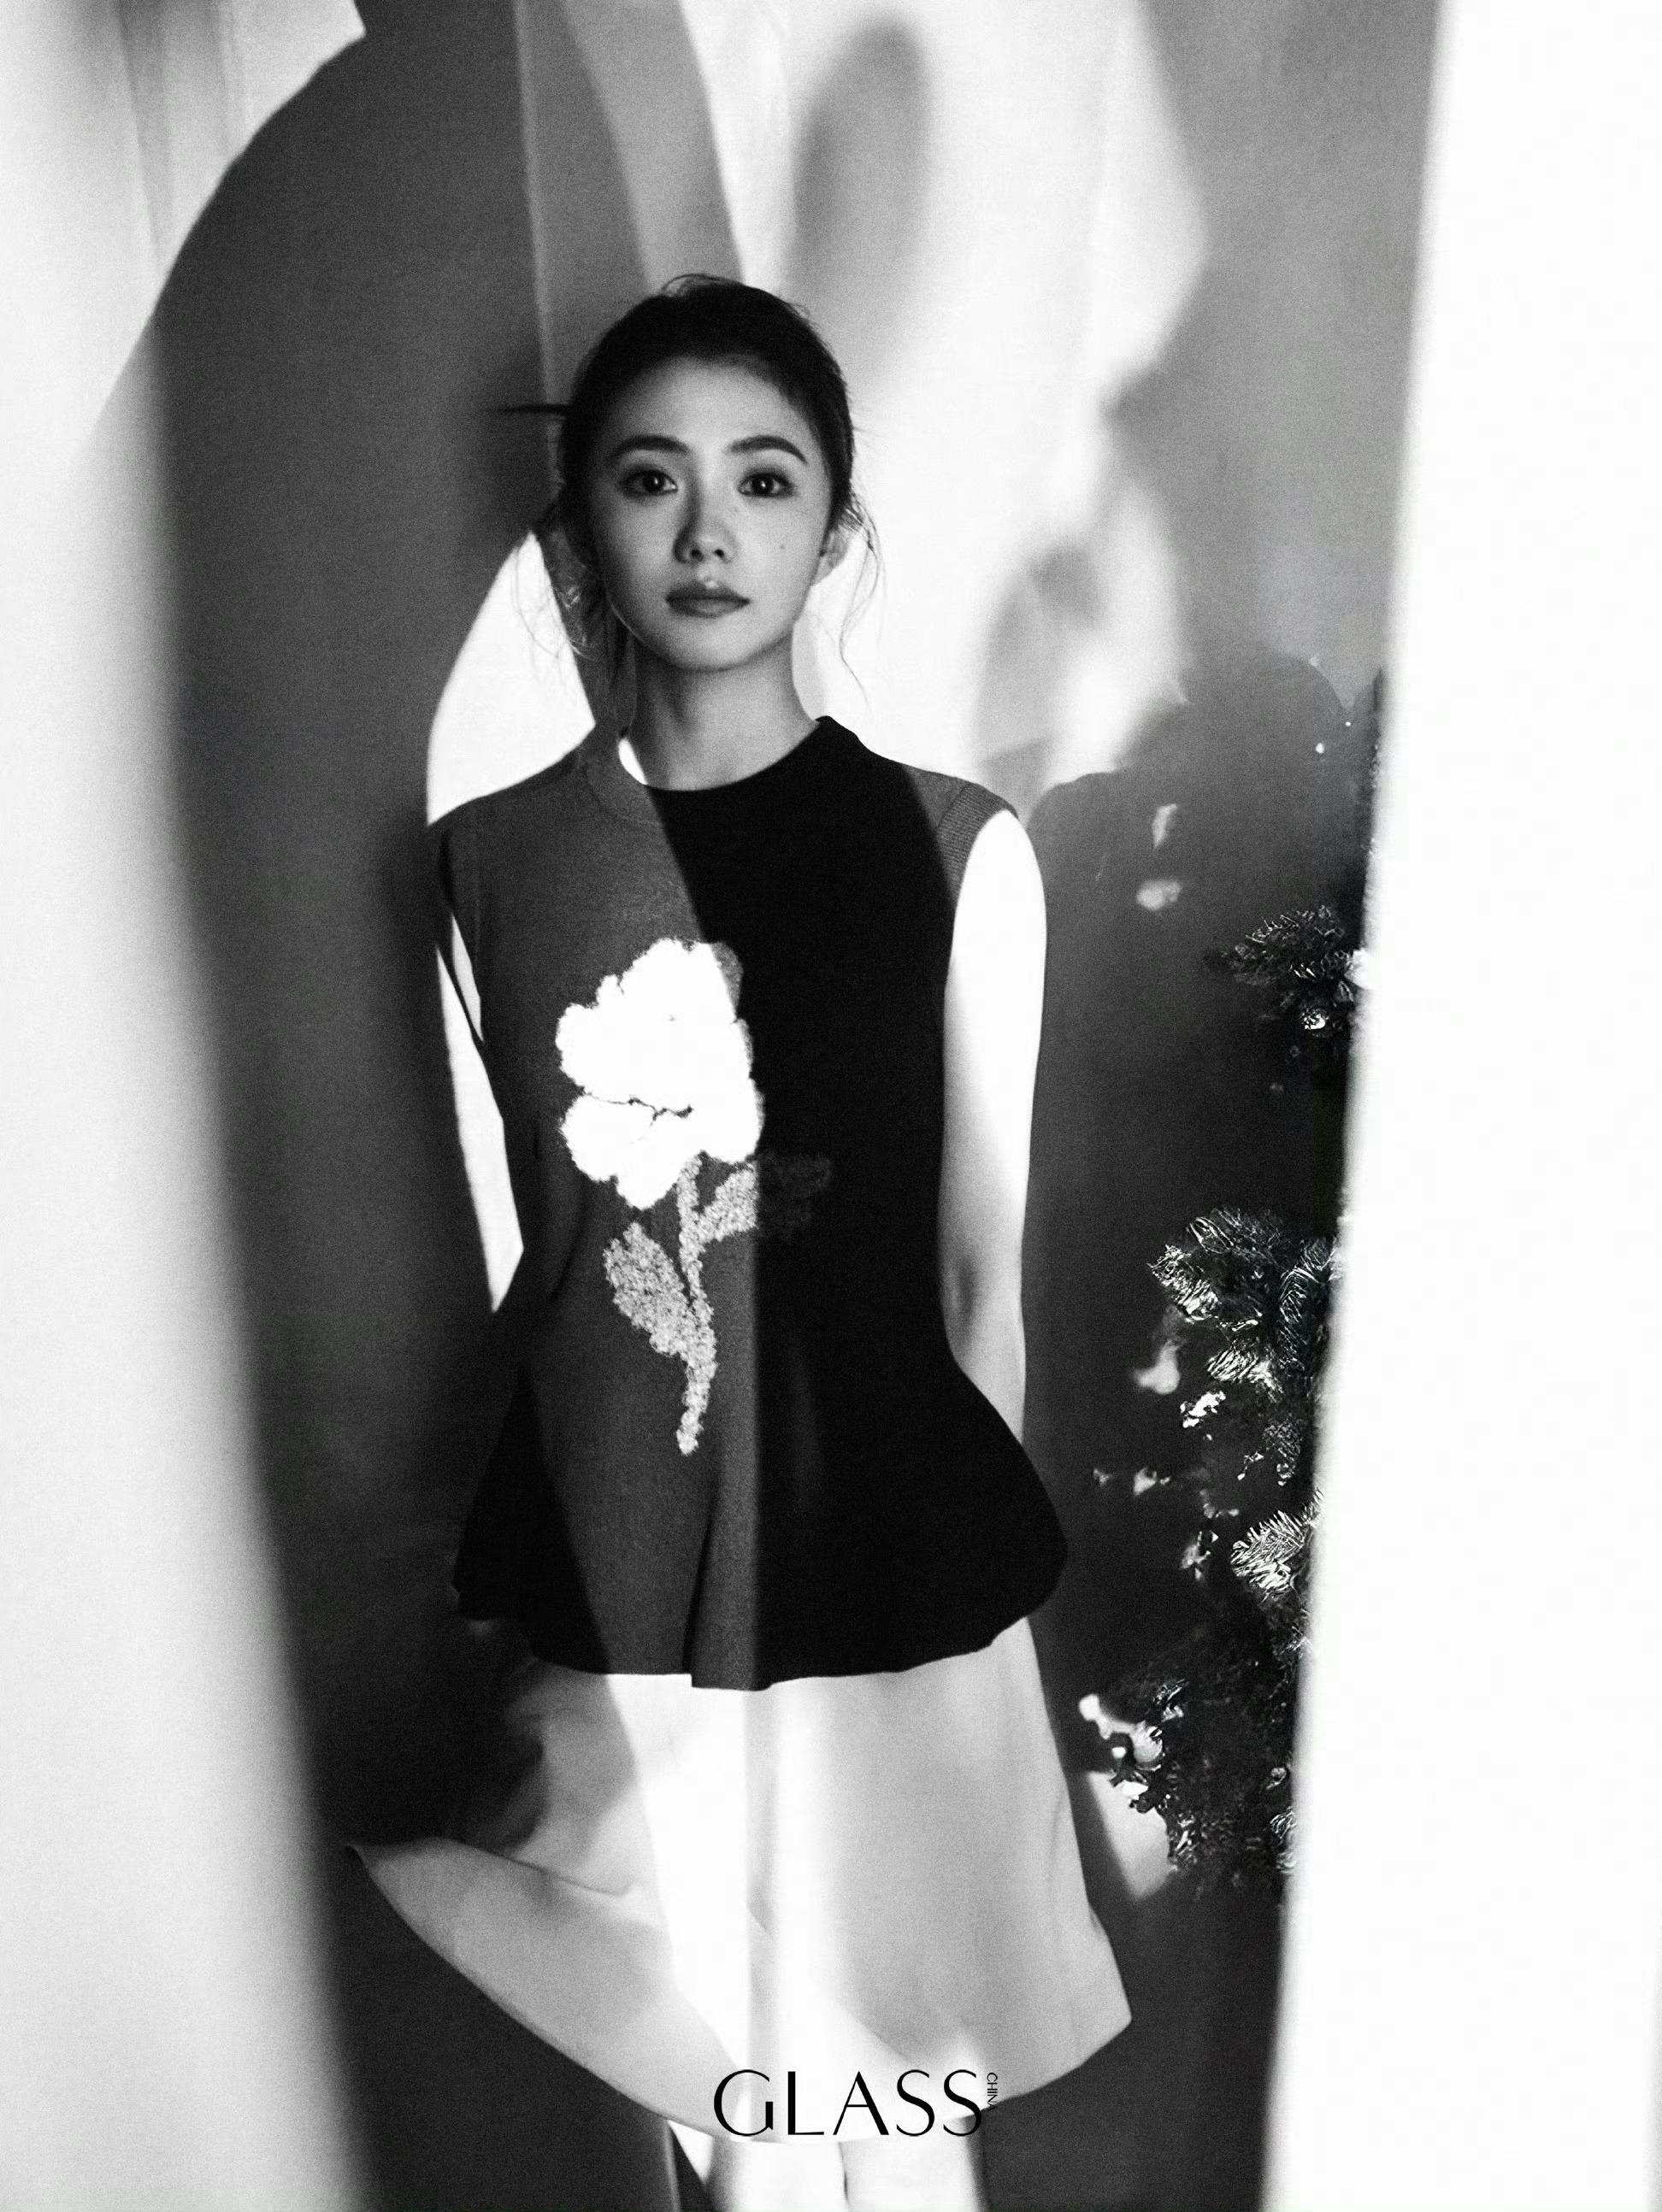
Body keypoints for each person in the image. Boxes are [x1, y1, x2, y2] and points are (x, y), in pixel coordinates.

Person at [354, 275, 1129, 2212]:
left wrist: (959, 1638)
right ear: (580, 536)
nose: (709, 531)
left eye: (763, 480)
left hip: (896, 1579)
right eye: (653, 479)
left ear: (834, 530)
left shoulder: (959, 851)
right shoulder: (488, 862)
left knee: (891, 2128)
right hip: (614, 1572)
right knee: (712, 2114)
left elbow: (981, 1273)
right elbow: (522, 1242)